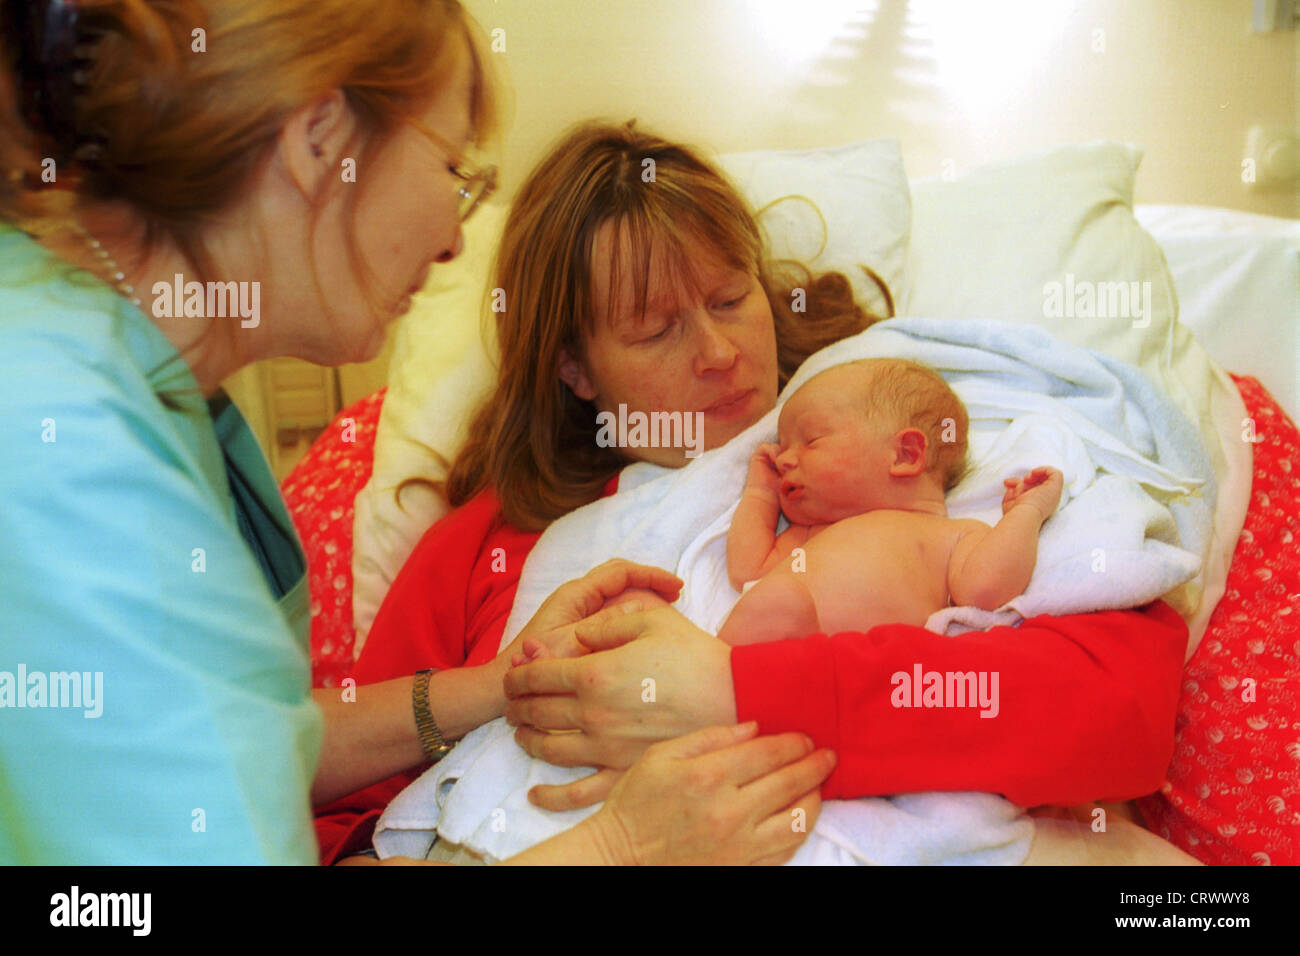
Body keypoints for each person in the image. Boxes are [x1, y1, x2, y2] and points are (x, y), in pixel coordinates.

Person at [0, 0, 830, 866]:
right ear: (319, 141)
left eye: (732, 298)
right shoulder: (67, 460)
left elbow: (228, 735)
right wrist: (622, 847)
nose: (452, 238)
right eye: (454, 172)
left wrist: (501, 687)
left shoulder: (153, 393)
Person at [317, 118, 1189, 861]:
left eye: (732, 298)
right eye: (657, 329)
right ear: (574, 368)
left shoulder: (911, 442)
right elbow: (354, 823)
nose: (720, 353)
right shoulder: (489, 546)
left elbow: (1119, 715)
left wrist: (742, 695)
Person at [718, 358, 1064, 644]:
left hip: (880, 672)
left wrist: (1027, 513)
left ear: (904, 454)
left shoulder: (951, 535)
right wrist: (760, 492)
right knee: (777, 601)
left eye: (810, 440)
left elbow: (987, 590)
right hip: (787, 662)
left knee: (778, 601)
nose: (783, 460)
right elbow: (747, 570)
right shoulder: (808, 537)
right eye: (783, 448)